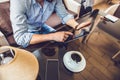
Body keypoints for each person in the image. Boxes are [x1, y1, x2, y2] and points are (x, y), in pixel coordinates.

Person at [10, 0, 91, 48]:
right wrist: (52, 36)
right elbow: (20, 37)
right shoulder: (18, 2)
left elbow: (64, 15)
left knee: (62, 44)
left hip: (42, 26)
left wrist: (76, 25)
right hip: (28, 32)